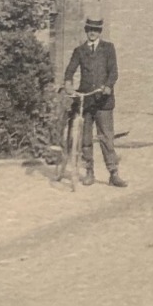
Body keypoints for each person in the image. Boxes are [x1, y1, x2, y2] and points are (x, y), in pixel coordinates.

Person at [62, 17, 126, 188]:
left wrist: (108, 86)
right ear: (86, 30)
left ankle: (113, 173)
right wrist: (68, 83)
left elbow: (113, 72)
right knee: (85, 138)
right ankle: (89, 171)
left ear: (100, 32)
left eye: (96, 30)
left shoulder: (108, 48)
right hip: (85, 99)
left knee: (106, 138)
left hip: (103, 100)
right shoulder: (80, 50)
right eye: (90, 29)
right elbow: (70, 69)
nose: (92, 32)